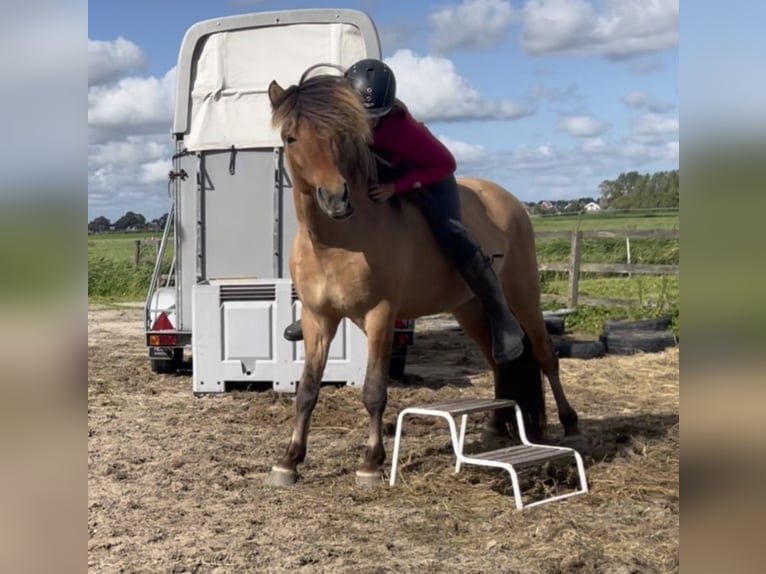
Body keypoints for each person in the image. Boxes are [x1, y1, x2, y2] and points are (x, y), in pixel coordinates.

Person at [284, 58, 525, 364]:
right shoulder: (341, 124)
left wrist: (397, 188)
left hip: (426, 180)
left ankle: (500, 313)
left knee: (451, 231)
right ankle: (316, 306)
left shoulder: (405, 130)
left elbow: (446, 164)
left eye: (376, 117)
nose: (369, 124)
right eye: (362, 116)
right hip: (381, 180)